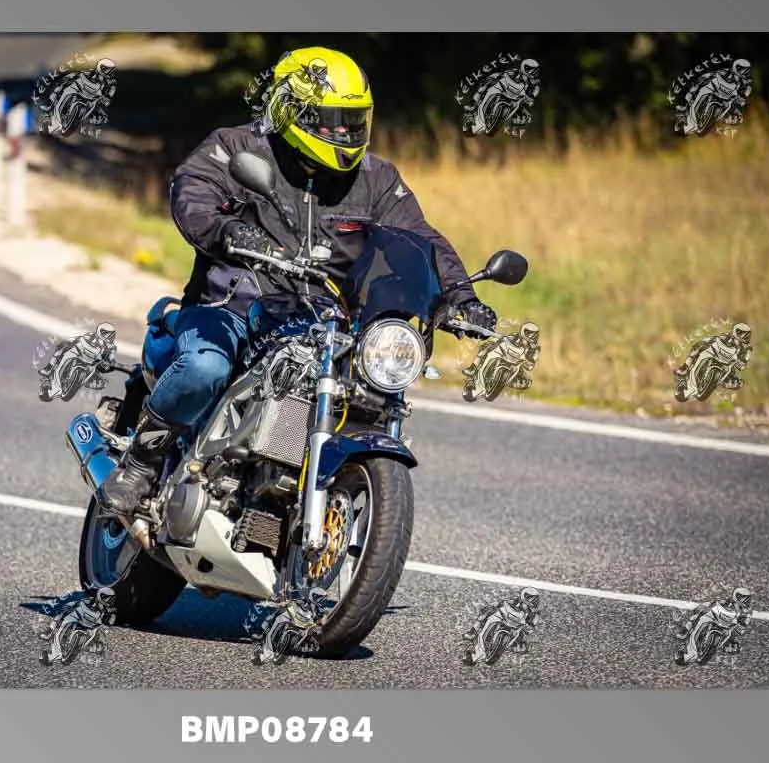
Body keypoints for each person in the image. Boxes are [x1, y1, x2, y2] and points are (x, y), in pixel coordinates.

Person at [96, 46, 501, 523]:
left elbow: (420, 238)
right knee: (205, 367)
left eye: (353, 121)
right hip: (232, 307)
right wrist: (229, 231)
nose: (344, 133)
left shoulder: (375, 179)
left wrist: (459, 297)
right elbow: (193, 193)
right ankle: (141, 464)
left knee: (373, 391)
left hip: (323, 323)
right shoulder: (235, 149)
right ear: (292, 111)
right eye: (332, 122)